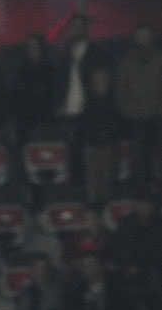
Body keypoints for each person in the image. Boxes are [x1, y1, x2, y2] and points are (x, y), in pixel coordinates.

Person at [55, 12, 108, 184]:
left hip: (89, 112)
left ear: (86, 30)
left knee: (90, 156)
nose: (76, 31)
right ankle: (76, 191)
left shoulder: (96, 54)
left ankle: (89, 195)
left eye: (80, 27)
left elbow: (101, 85)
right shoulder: (64, 54)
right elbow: (59, 82)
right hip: (68, 112)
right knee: (72, 155)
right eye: (73, 27)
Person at [115, 24, 162, 187]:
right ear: (135, 39)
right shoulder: (127, 61)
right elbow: (120, 88)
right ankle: (143, 193)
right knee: (139, 158)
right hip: (137, 118)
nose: (144, 40)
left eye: (146, 36)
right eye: (140, 37)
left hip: (159, 116)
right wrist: (127, 110)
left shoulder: (161, 58)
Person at [81, 66, 125, 206]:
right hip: (91, 146)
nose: (101, 84)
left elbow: (117, 125)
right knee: (93, 180)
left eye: (103, 80)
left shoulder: (114, 102)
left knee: (107, 179)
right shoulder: (88, 103)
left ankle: (107, 210)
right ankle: (94, 211)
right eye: (97, 80)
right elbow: (84, 125)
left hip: (107, 145)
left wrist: (108, 136)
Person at [9, 34, 56, 142]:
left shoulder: (51, 71)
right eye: (30, 47)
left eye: (36, 46)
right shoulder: (21, 72)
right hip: (25, 125)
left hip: (46, 124)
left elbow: (53, 97)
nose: (33, 50)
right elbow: (16, 98)